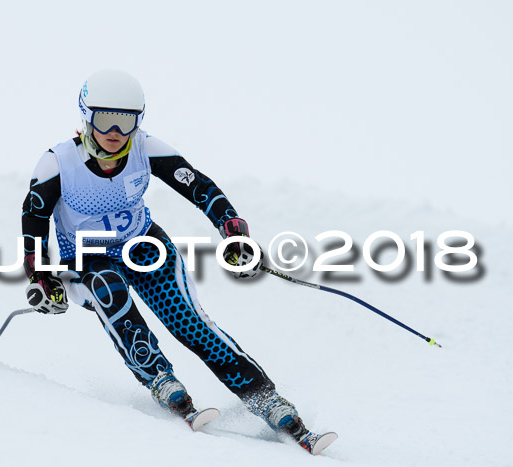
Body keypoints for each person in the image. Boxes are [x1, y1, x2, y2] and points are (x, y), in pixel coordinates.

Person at [21, 69, 333, 454]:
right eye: (105, 119)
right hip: (85, 259)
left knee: (192, 325)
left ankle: (267, 400)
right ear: (86, 116)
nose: (116, 131)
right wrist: (41, 276)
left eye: (127, 120)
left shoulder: (145, 147)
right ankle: (161, 379)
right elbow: (33, 222)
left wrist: (233, 232)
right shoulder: (57, 163)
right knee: (110, 291)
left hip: (142, 245)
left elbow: (199, 186)